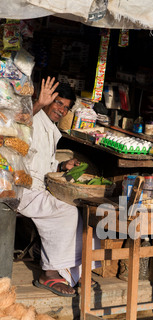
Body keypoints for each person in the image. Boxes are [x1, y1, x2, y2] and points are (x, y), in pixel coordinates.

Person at [18, 77, 91, 297]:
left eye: (66, 108)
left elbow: (41, 161)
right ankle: (48, 273)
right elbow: (15, 124)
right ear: (47, 98)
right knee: (67, 212)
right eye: (58, 103)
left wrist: (61, 165)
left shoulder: (50, 127)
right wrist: (38, 103)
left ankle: (67, 270)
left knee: (80, 209)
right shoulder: (33, 114)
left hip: (39, 187)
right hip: (21, 188)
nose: (61, 110)